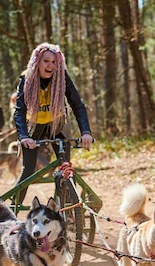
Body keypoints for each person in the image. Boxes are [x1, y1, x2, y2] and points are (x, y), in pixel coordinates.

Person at [13, 42, 94, 204]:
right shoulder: (26, 78)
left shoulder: (62, 77)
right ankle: (14, 207)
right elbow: (19, 110)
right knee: (28, 170)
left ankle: (64, 208)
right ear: (37, 62)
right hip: (34, 126)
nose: (50, 65)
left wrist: (86, 132)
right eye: (46, 61)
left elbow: (77, 105)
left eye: (54, 62)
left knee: (65, 168)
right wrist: (23, 136)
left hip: (57, 125)